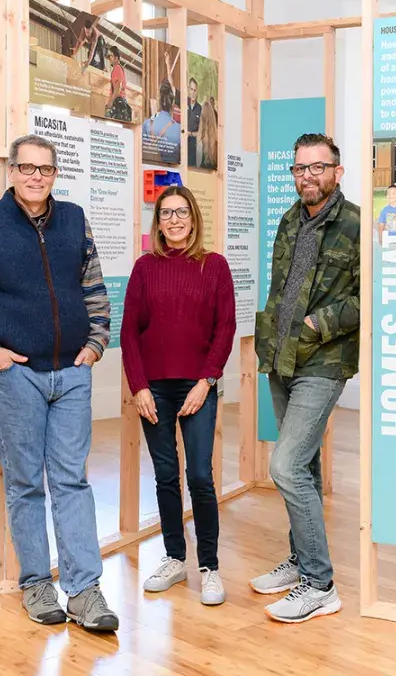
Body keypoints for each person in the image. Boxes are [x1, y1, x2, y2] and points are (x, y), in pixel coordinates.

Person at [0, 134, 119, 633]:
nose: (36, 177)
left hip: (72, 374)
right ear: (12, 172)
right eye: (27, 168)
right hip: (16, 376)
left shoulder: (74, 219)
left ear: (55, 174)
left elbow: (94, 288)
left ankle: (84, 592)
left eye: (45, 169)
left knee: (72, 481)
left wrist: (96, 343)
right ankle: (37, 584)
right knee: (25, 484)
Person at [252, 133, 360, 624]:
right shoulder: (289, 220)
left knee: (285, 465)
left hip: (324, 360)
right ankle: (300, 561)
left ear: (337, 171)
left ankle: (320, 585)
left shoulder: (355, 224)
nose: (308, 176)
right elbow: (282, 289)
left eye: (318, 167)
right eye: (300, 168)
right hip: (282, 357)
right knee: (306, 467)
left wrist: (319, 324)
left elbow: (367, 297)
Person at [120, 185, 235, 607]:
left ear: (194, 218)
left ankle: (209, 567)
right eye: (166, 213)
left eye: (181, 212)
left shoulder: (214, 266)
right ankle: (174, 558)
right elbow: (129, 332)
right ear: (158, 222)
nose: (174, 220)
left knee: (200, 476)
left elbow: (225, 328)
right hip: (154, 389)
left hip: (197, 385)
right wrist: (139, 387)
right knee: (166, 475)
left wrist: (206, 381)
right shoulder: (144, 268)